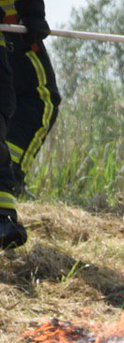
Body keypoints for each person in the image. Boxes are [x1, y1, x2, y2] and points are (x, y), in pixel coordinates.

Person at [0, 0, 55, 249]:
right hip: (12, 25)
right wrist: (31, 15)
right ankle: (10, 183)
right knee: (41, 101)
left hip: (11, 26)